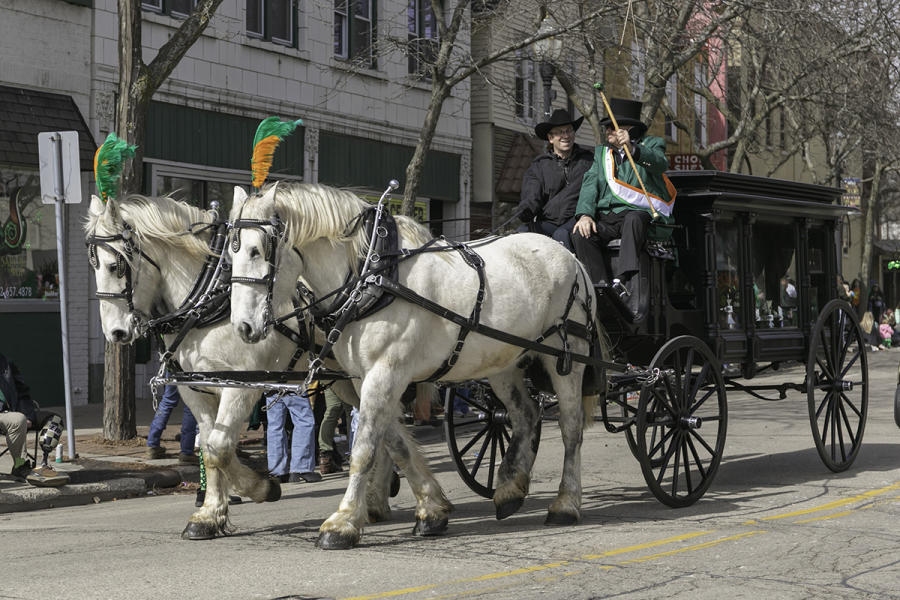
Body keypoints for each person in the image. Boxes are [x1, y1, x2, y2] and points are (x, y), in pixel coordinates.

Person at [572, 97, 675, 321]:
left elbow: (659, 164)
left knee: (634, 219)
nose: (607, 131)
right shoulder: (602, 154)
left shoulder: (652, 144)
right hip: (609, 217)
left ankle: (624, 280)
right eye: (607, 127)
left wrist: (633, 149)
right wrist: (585, 214)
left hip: (638, 215)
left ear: (627, 130)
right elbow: (590, 184)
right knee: (581, 233)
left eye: (612, 127)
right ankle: (598, 287)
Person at [517, 108, 594, 251]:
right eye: (560, 132)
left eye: (569, 131)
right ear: (551, 138)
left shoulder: (589, 161)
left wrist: (586, 215)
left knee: (561, 235)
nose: (566, 136)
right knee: (522, 233)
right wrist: (526, 210)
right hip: (549, 222)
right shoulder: (539, 165)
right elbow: (532, 195)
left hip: (577, 219)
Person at [265, 391, 322, 483]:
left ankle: (276, 471)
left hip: (271, 386)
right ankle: (302, 468)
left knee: (275, 426)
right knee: (303, 421)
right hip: (293, 386)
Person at [0, 351, 37, 480]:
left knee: (19, 419)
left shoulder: (5, 364)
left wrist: (27, 415)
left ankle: (20, 465)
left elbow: (22, 393)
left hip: (4, 414)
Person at [146, 384, 199, 464]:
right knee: (190, 405)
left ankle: (152, 445)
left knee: (167, 401)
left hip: (173, 376)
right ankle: (186, 452)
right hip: (191, 377)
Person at [316, 383, 353, 474]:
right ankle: (354, 451)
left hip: (328, 379)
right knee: (352, 411)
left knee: (331, 412)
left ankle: (324, 457)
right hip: (344, 379)